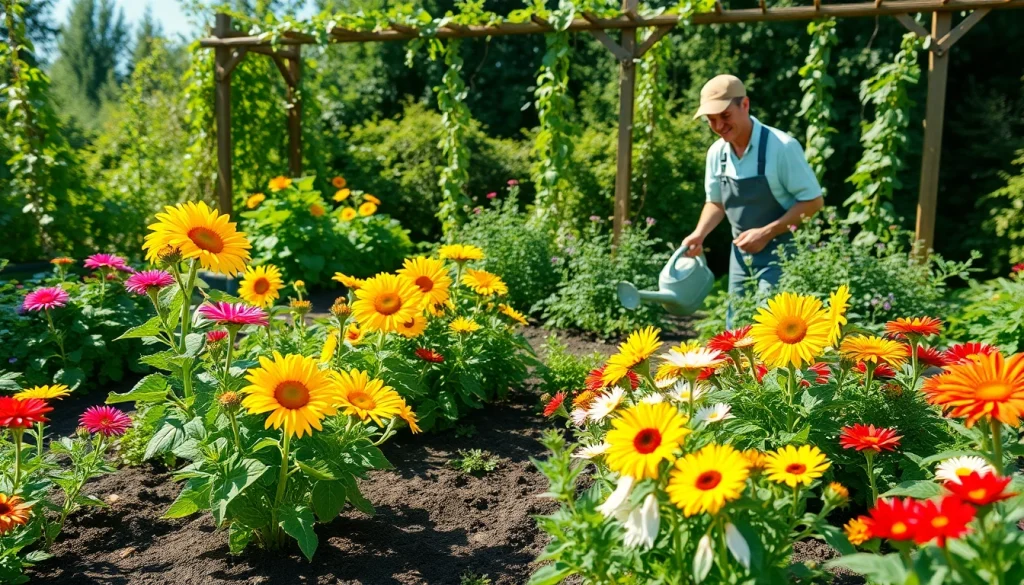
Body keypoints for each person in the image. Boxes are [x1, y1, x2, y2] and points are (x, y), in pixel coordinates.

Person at [680, 74, 824, 327]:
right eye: (711, 120)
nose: (719, 125)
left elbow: (813, 202)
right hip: (741, 253)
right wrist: (699, 234)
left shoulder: (782, 147)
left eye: (725, 116)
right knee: (736, 328)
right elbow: (716, 202)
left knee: (776, 328)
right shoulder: (717, 153)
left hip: (783, 251)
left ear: (744, 105)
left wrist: (767, 233)